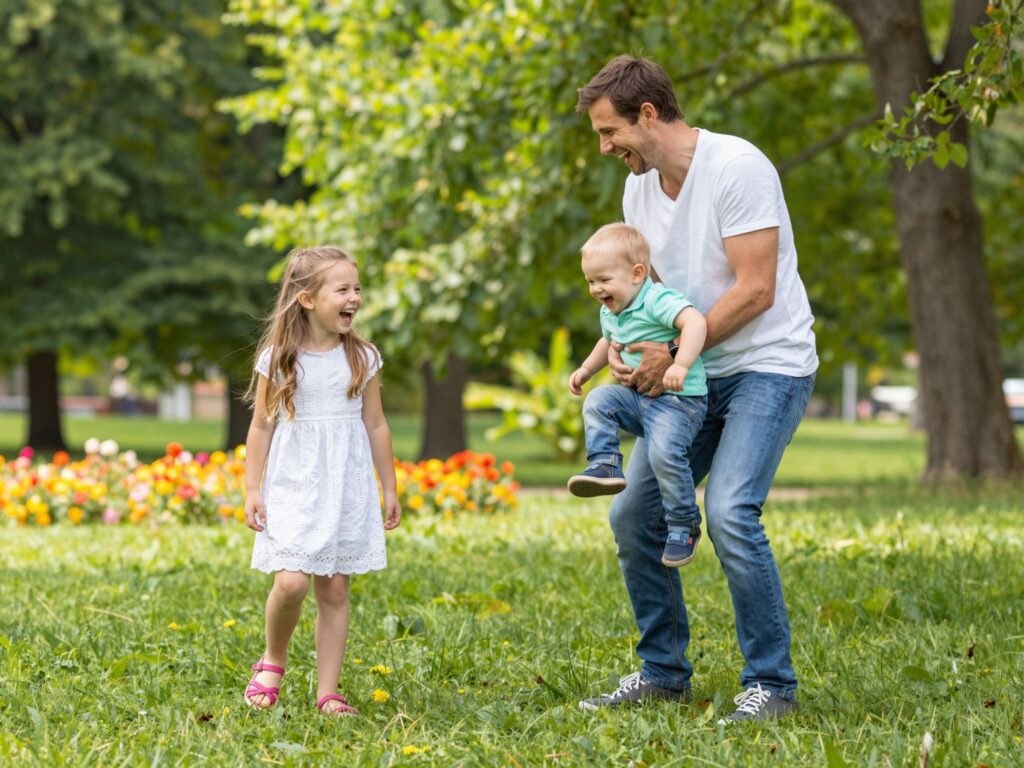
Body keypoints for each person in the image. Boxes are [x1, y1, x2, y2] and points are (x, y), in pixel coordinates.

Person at [575, 55, 818, 721]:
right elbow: (644, 297)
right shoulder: (639, 191)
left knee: (732, 511)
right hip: (694, 376)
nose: (604, 148)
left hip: (767, 365)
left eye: (609, 131)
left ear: (646, 114)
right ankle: (663, 671)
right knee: (632, 515)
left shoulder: (737, 167)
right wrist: (630, 356)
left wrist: (676, 353)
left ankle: (772, 685)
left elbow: (757, 289)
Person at [242, 245, 402, 716]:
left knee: (334, 588)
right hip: (294, 483)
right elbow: (261, 426)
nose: (354, 298)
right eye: (343, 289)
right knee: (291, 582)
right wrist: (252, 488)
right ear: (308, 299)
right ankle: (273, 659)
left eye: (358, 289)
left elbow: (375, 424)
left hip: (345, 486)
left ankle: (328, 690)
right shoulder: (280, 358)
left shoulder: (363, 358)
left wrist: (388, 487)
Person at [567, 223, 708, 568]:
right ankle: (605, 464)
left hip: (679, 402)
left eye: (603, 279)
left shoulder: (657, 298)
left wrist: (680, 362)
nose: (596, 289)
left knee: (664, 455)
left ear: (637, 273)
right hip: (639, 398)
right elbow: (607, 341)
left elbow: (696, 323)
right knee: (599, 401)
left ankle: (683, 523)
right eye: (590, 281)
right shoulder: (611, 310)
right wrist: (587, 370)